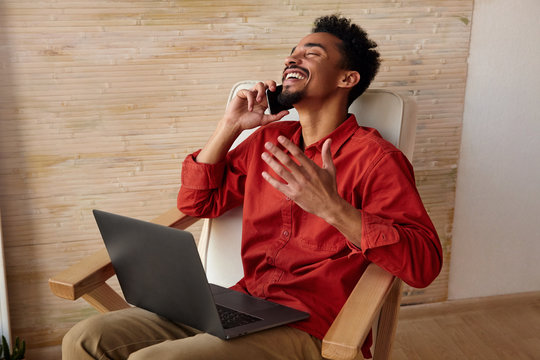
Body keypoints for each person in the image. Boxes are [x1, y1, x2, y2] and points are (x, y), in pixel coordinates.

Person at [62, 14, 442, 360]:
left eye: (311, 54)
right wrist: (230, 127)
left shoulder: (375, 159)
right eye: (291, 54)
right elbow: (197, 202)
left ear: (347, 78)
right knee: (85, 338)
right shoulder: (270, 141)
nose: (293, 60)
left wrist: (333, 208)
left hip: (310, 327)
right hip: (243, 304)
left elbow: (423, 264)